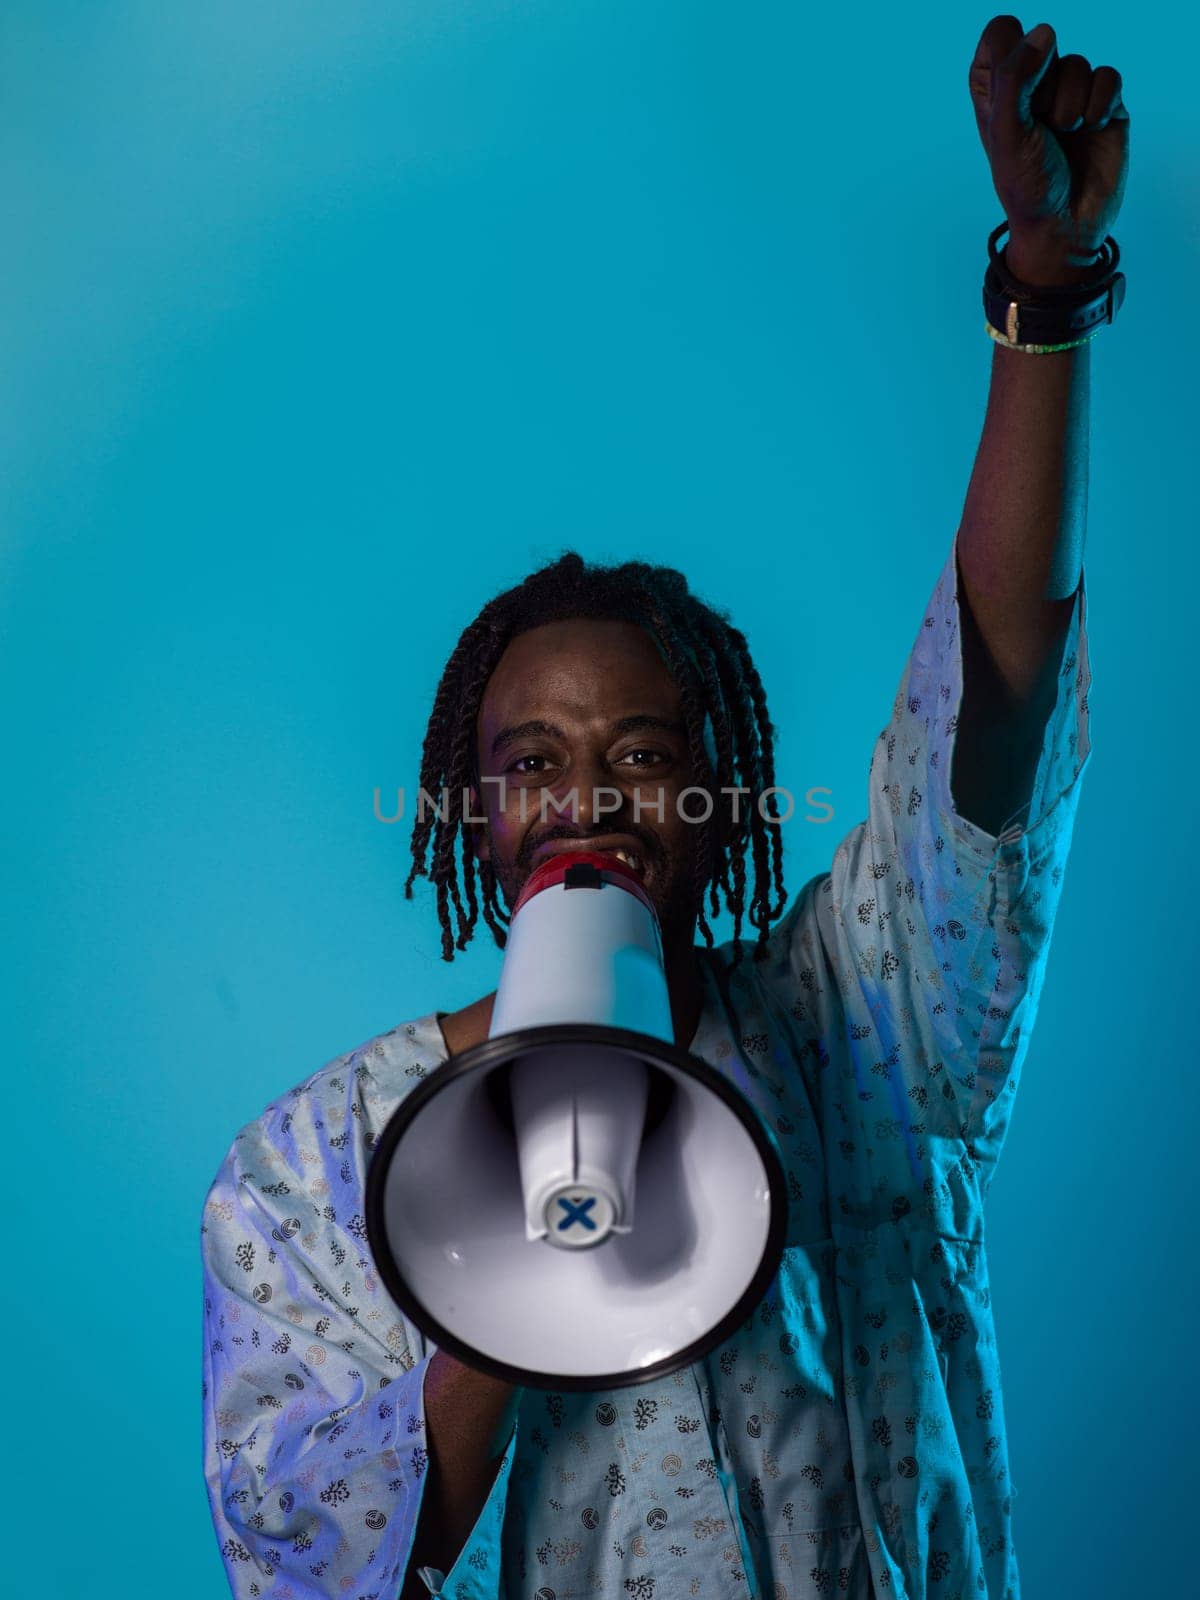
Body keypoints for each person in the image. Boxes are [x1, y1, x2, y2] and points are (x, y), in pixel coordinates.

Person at [200, 15, 1128, 1599]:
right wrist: (512, 1251)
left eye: (643, 754)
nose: (591, 799)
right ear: (465, 816)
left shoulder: (867, 1023)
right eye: (531, 762)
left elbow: (1000, 688)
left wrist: (1045, 296)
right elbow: (308, 1565)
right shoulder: (302, 1174)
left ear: (719, 803)